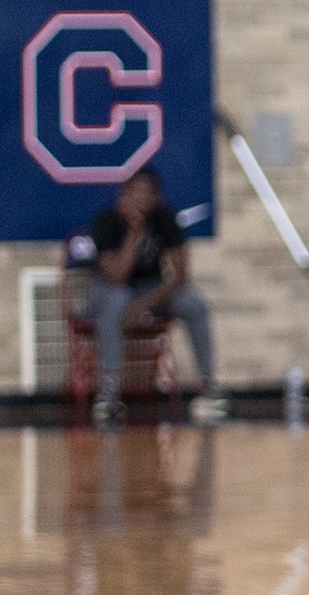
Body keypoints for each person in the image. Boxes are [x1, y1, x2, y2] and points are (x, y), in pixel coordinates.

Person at [87, 168, 224, 421]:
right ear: (123, 195)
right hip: (109, 289)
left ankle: (208, 385)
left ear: (156, 198)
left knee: (193, 303)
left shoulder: (165, 218)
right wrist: (134, 232)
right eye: (133, 193)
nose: (139, 199)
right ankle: (109, 393)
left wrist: (143, 305)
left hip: (150, 289)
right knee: (116, 302)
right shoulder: (106, 220)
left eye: (145, 194)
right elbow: (116, 276)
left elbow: (180, 276)